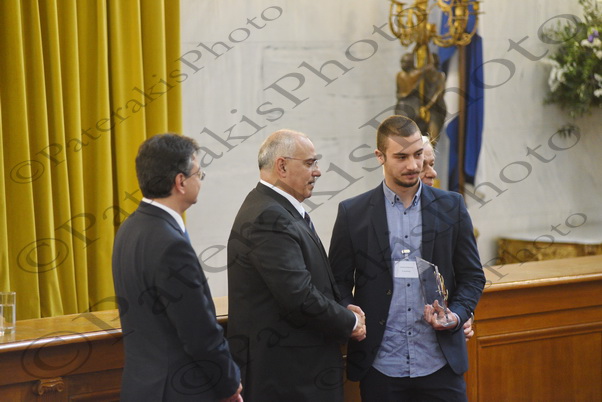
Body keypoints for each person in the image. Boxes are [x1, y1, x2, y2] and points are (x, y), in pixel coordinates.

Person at [329, 116, 485, 401]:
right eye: (401, 157)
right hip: (381, 364)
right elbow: (337, 282)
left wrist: (457, 315)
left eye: (417, 155)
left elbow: (473, 277)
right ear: (380, 156)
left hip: (440, 362)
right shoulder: (353, 213)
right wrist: (348, 311)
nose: (413, 165)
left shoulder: (451, 206)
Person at [227, 129, 366, 402]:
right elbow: (298, 296)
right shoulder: (269, 217)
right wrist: (349, 322)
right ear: (282, 166)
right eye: (310, 163)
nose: (318, 172)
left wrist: (341, 308)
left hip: (296, 374)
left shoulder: (276, 209)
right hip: (288, 378)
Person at [112, 134, 243, 402]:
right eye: (199, 173)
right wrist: (229, 384)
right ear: (180, 182)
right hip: (178, 390)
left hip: (142, 388)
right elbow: (199, 331)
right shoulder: (171, 244)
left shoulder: (129, 228)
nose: (200, 180)